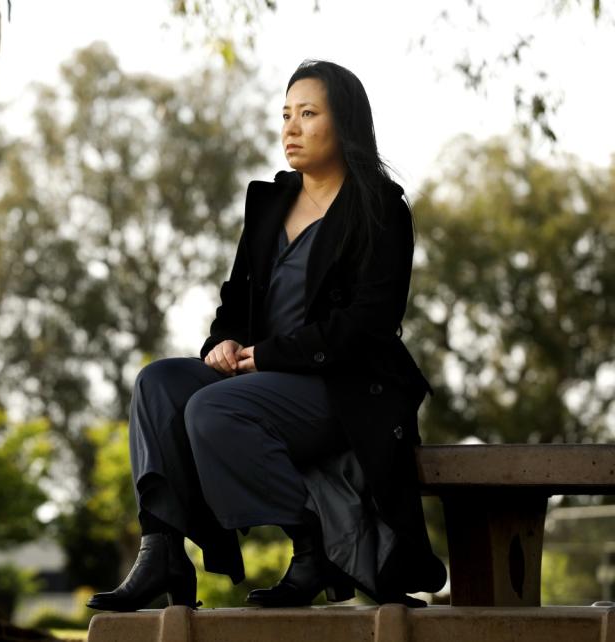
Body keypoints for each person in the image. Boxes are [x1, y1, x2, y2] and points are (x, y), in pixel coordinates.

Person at [86, 59, 447, 613]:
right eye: (285, 115)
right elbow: (237, 301)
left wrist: (272, 355)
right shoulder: (267, 203)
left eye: (308, 113)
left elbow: (367, 325)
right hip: (258, 377)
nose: (291, 129)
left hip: (340, 388)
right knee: (157, 383)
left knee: (213, 410)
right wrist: (223, 342)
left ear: (344, 123)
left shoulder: (380, 210)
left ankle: (312, 547)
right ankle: (161, 551)